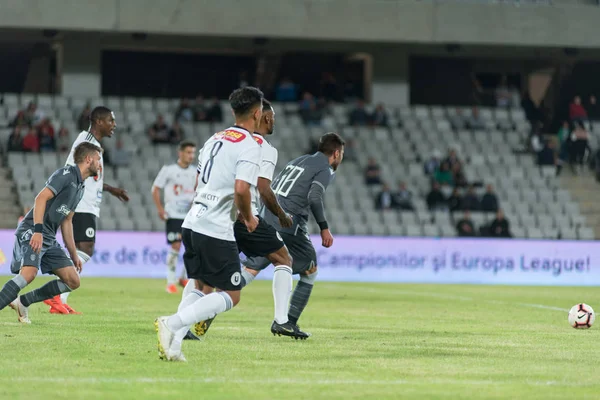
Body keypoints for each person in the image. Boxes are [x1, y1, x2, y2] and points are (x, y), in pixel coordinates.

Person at [155, 86, 264, 362]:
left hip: (192, 221)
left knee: (199, 285)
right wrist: (249, 217)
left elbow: (197, 182)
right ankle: (173, 323)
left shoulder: (214, 139)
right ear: (257, 112)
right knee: (232, 294)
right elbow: (241, 189)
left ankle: (174, 347)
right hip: (216, 227)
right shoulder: (250, 146)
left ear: (232, 111)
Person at [182, 99, 304, 341]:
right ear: (264, 117)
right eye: (273, 117)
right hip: (243, 216)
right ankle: (281, 321)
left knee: (202, 279)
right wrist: (281, 215)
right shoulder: (262, 147)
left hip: (207, 215)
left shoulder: (216, 138)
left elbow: (198, 183)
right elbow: (263, 188)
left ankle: (182, 324)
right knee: (283, 258)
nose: (273, 122)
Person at [235, 132, 344, 337]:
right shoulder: (325, 168)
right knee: (310, 270)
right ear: (336, 153)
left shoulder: (299, 160)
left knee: (250, 269)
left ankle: (207, 308)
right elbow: (314, 197)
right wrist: (323, 227)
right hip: (290, 224)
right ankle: (288, 322)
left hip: (268, 218)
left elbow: (272, 187)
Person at [0, 142, 102, 323]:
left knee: (73, 281)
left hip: (48, 237)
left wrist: (73, 255)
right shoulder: (66, 174)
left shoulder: (81, 186)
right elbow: (40, 198)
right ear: (88, 159)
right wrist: (37, 231)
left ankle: (24, 302)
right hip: (33, 229)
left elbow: (67, 221)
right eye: (98, 159)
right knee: (29, 274)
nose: (100, 164)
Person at [43, 107, 129, 315]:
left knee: (84, 250)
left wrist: (111, 189)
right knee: (85, 250)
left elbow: (90, 176)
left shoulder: (93, 144)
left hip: (87, 204)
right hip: (81, 204)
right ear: (99, 121)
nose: (114, 125)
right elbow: (72, 172)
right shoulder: (85, 141)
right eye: (111, 120)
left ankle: (57, 297)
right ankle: (56, 295)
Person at [151, 141, 197, 293]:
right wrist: (160, 209)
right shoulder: (169, 170)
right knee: (176, 245)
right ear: (180, 153)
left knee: (193, 247)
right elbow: (155, 189)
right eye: (188, 152)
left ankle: (183, 277)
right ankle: (170, 282)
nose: (191, 156)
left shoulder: (196, 171)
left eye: (193, 153)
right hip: (174, 214)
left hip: (190, 215)